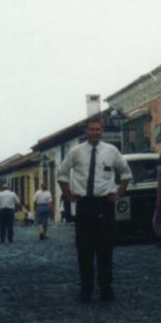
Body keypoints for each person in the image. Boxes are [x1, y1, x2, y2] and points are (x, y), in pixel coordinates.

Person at [57, 118, 132, 303]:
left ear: (102, 131)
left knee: (105, 249)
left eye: (98, 130)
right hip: (84, 205)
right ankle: (86, 289)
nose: (95, 133)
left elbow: (126, 173)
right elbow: (62, 173)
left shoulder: (111, 151)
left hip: (104, 204)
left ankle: (106, 288)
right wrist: (68, 195)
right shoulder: (76, 151)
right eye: (92, 129)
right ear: (86, 131)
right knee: (84, 249)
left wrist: (118, 194)